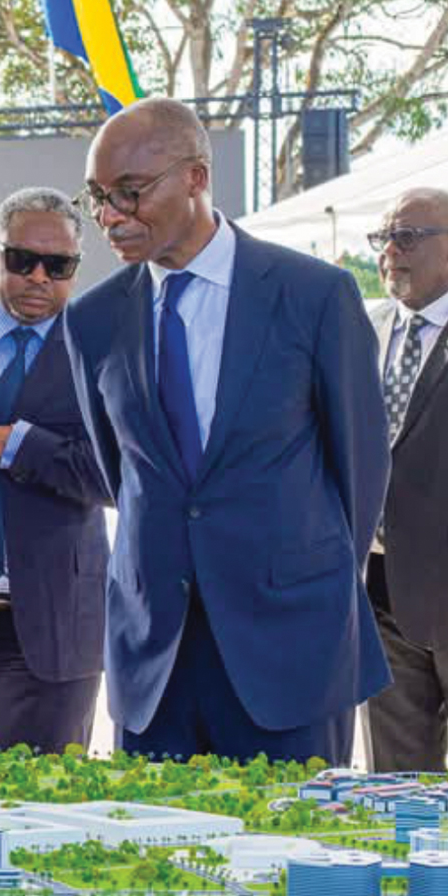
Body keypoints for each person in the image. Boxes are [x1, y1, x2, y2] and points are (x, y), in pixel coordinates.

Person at [66, 98, 390, 765]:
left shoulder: (313, 295)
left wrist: (307, 581)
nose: (108, 216)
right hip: (155, 663)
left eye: (129, 192)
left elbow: (359, 467)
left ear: (196, 177)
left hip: (290, 652)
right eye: (97, 197)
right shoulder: (93, 321)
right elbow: (123, 475)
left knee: (295, 837)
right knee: (154, 837)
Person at [0, 188, 111, 755]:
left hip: (58, 627)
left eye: (58, 266)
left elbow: (117, 476)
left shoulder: (100, 349)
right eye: (22, 260)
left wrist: (12, 442)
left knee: (46, 797)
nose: (39, 277)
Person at [362, 188, 448, 773]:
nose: (390, 251)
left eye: (407, 237)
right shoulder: (363, 330)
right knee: (398, 785)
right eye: (384, 238)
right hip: (380, 591)